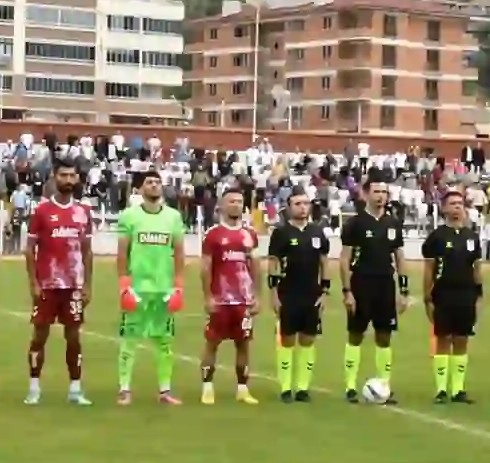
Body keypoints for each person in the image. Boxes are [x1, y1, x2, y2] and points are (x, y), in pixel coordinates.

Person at [23, 159, 93, 406]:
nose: (68, 180)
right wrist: (33, 283)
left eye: (72, 176)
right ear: (54, 177)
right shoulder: (41, 211)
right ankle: (34, 387)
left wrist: (87, 285)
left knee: (74, 337)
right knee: (39, 336)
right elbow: (29, 249)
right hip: (47, 284)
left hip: (73, 286)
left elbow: (87, 251)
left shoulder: (83, 212)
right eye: (63, 175)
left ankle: (75, 389)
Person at [114, 170, 187, 406]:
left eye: (157, 182)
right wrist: (124, 285)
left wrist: (178, 286)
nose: (154, 186)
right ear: (140, 188)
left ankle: (164, 391)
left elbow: (179, 253)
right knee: (129, 340)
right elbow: (122, 252)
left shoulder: (173, 217)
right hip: (137, 288)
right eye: (149, 182)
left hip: (164, 289)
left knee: (165, 342)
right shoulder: (129, 216)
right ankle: (124, 389)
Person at [339, 178, 407, 404]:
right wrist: (347, 291)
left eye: (384, 192)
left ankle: (384, 385)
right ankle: (350, 386)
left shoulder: (393, 223)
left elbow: (399, 256)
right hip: (361, 283)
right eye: (376, 191)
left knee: (384, 336)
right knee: (356, 334)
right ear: (366, 194)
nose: (381, 196)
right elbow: (344, 258)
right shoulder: (355, 224)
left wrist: (404, 290)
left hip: (385, 284)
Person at [265, 189, 334, 403]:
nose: (303, 207)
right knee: (286, 340)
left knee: (308, 340)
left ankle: (303, 388)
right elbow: (273, 263)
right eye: (298, 204)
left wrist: (325, 291)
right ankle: (286, 388)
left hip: (311, 294)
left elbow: (324, 262)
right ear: (289, 207)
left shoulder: (318, 232)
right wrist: (273, 294)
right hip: (288, 293)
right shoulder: (281, 233)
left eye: (305, 203)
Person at [420, 187, 483, 404]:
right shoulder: (436, 237)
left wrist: (479, 296)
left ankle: (458, 390)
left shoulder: (472, 237)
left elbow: (477, 269)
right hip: (443, 295)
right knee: (443, 340)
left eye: (460, 204)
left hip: (466, 295)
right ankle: (441, 390)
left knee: (462, 340)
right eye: (453, 203)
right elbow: (429, 269)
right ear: (444, 208)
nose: (457, 207)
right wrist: (427, 298)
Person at [198, 187, 259, 405]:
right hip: (221, 299)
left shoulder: (249, 234)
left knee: (243, 344)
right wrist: (207, 297)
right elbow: (205, 267)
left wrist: (256, 296)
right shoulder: (213, 234)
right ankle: (207, 387)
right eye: (231, 201)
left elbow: (254, 266)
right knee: (212, 343)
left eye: (239, 201)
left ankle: (242, 389)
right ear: (222, 206)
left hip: (243, 301)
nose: (236, 205)